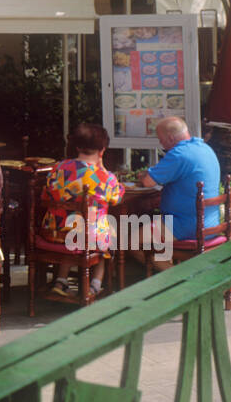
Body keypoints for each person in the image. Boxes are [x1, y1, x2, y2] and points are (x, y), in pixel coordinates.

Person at [41, 122, 123, 297]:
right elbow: (116, 198)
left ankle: (61, 281)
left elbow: (45, 194)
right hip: (87, 238)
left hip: (53, 231)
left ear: (77, 146)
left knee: (72, 228)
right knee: (109, 235)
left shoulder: (58, 168)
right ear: (102, 150)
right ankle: (94, 285)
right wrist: (104, 169)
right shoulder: (105, 177)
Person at [138, 117, 221, 242]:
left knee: (130, 242)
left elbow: (148, 182)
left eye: (161, 140)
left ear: (171, 138)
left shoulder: (178, 154)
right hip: (210, 223)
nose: (161, 144)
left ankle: (164, 262)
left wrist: (143, 175)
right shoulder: (205, 148)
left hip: (185, 225)